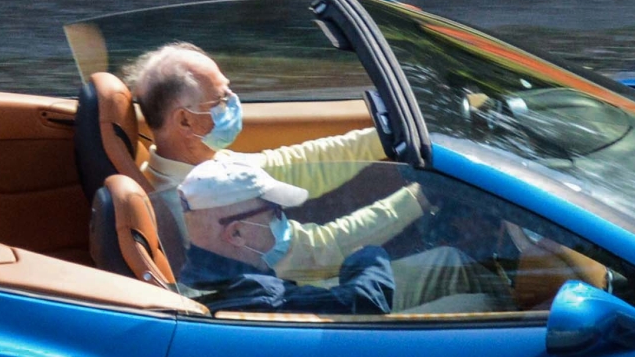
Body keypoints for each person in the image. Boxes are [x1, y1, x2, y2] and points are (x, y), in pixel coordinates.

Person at [125, 41, 424, 284]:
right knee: (448, 271)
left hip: (301, 283)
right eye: (220, 99)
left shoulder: (196, 166)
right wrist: (419, 199)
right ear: (185, 121)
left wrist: (385, 135)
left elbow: (296, 164)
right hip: (304, 302)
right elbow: (320, 251)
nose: (233, 101)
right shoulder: (201, 204)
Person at [174, 158, 395, 316]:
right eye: (275, 211)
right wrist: (368, 257)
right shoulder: (266, 298)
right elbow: (365, 303)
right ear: (236, 233)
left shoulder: (182, 279)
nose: (283, 220)